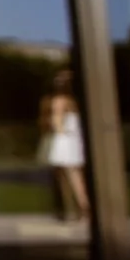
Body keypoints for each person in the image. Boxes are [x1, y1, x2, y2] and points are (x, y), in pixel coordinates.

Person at [40, 67, 89, 223]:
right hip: (73, 139)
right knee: (74, 175)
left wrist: (54, 127)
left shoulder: (58, 101)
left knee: (68, 176)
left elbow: (56, 123)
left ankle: (80, 207)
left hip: (63, 140)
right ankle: (76, 208)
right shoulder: (74, 102)